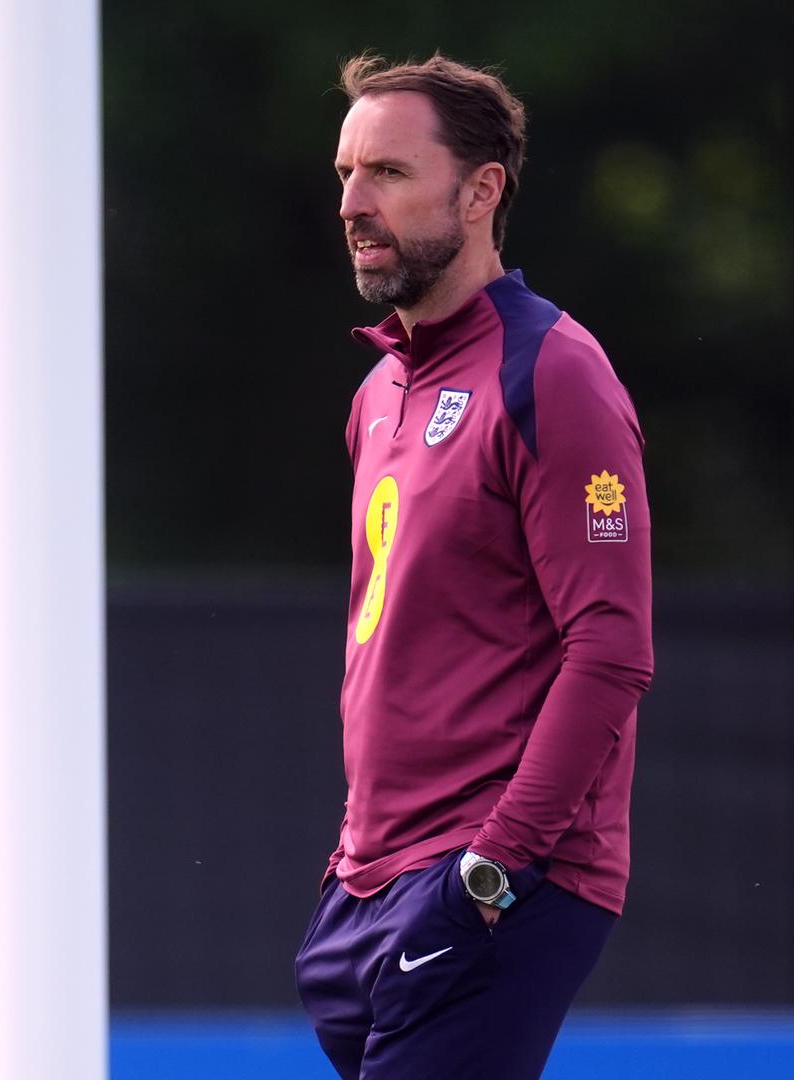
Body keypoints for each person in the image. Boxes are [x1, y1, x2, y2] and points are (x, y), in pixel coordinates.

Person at [292, 55, 654, 1079]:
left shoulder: (551, 370)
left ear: (482, 189)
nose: (355, 204)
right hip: (368, 886)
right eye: (346, 174)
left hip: (492, 881)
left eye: (390, 174)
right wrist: (351, 867)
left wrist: (495, 864)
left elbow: (613, 647)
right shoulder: (377, 394)